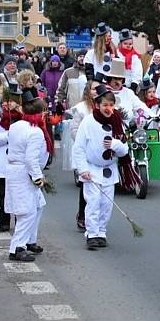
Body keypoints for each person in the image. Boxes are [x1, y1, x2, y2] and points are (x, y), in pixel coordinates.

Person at [72, 85, 130, 249]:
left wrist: (116, 144)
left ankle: (101, 232)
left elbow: (125, 150)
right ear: (97, 105)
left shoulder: (117, 122)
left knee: (106, 204)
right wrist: (83, 169)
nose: (108, 109)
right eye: (105, 105)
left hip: (109, 170)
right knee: (93, 202)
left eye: (111, 105)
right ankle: (91, 233)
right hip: (92, 169)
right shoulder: (88, 122)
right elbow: (79, 148)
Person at [5, 90, 52, 262]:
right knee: (27, 212)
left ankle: (30, 240)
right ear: (39, 113)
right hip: (24, 173)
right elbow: (31, 159)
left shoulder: (16, 125)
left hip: (17, 171)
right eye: (44, 112)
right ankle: (17, 247)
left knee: (39, 205)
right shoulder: (35, 132)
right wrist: (38, 177)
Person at [0, 84, 22, 232]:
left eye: (11, 101)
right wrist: (8, 135)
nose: (7, 104)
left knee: (17, 193)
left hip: (17, 162)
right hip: (2, 161)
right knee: (2, 193)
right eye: (5, 101)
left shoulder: (22, 119)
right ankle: (4, 218)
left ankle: (19, 219)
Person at [66, 80, 97, 231]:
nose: (96, 91)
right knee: (86, 183)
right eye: (93, 89)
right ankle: (82, 215)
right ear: (88, 91)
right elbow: (74, 129)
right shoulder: (81, 109)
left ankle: (96, 217)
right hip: (86, 151)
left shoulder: (106, 106)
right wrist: (85, 142)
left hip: (101, 152)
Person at [54, 51, 88, 116]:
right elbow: (61, 88)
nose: (82, 58)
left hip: (87, 108)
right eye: (80, 56)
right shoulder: (68, 72)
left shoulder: (91, 72)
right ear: (76, 58)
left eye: (84, 56)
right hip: (72, 108)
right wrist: (58, 102)